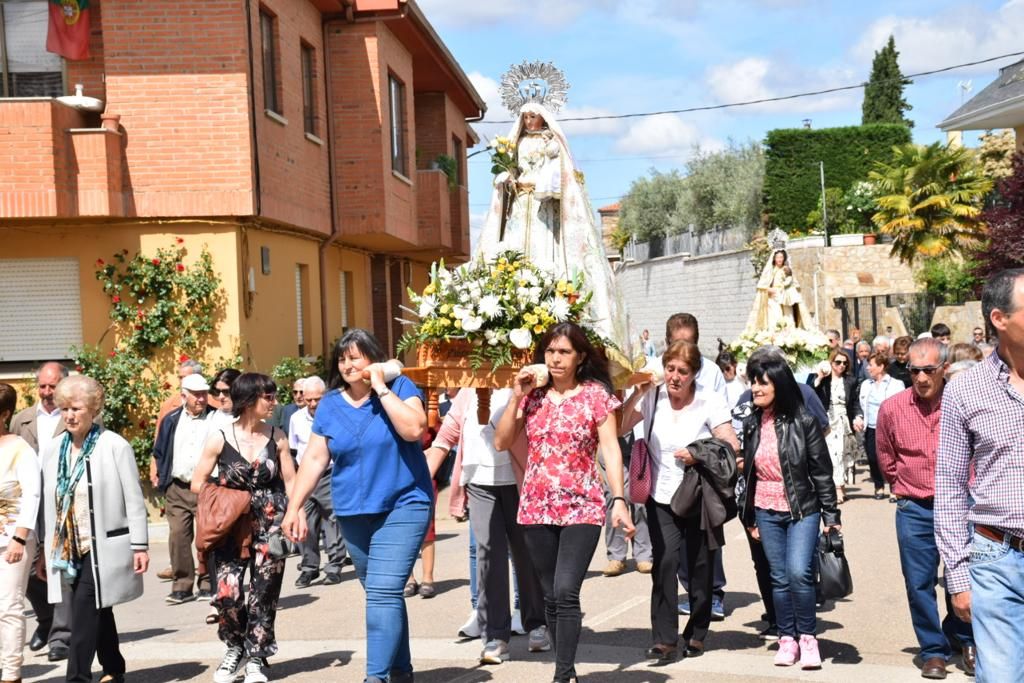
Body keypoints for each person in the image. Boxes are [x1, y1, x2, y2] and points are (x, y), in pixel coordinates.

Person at [283, 329, 430, 683]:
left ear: (373, 359)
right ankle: (401, 672)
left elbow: (415, 430)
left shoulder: (401, 389)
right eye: (342, 358)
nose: (348, 365)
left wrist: (381, 387)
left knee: (381, 593)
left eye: (356, 357)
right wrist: (294, 507)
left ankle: (374, 677)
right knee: (385, 594)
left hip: (404, 503)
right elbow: (315, 459)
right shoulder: (331, 404)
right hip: (352, 512)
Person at [494, 322, 634, 683]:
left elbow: (610, 449)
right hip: (537, 505)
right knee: (549, 597)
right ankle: (565, 668)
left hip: (582, 505)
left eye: (564, 352)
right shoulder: (532, 395)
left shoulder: (595, 396)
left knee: (565, 590)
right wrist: (515, 397)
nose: (555, 359)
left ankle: (563, 674)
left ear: (580, 357)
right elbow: (501, 441)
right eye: (551, 351)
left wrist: (619, 498)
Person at [475, 80, 627, 355]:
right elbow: (510, 170)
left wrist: (551, 176)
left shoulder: (551, 141)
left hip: (543, 206)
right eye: (525, 117)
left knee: (544, 248)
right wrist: (506, 178)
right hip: (522, 203)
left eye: (533, 116)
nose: (529, 121)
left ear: (544, 117)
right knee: (516, 247)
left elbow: (562, 173)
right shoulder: (515, 143)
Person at [620, 340, 739, 663]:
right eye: (670, 369)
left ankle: (698, 630)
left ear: (694, 374)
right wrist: (639, 393)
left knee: (700, 566)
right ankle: (664, 639)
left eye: (682, 372)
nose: (674, 377)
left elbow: (730, 443)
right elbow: (620, 425)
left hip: (697, 494)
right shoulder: (654, 398)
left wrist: (699, 453)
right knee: (665, 563)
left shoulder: (708, 401)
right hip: (660, 496)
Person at [937, 268, 1024, 682]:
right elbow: (950, 489)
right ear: (999, 319)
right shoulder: (964, 391)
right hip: (997, 557)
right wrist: (958, 577)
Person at [39, 375, 149, 683]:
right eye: (64, 409)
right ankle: (113, 667)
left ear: (93, 409)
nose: (70, 416)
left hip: (103, 545)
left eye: (76, 408)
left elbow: (134, 498)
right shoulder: (53, 450)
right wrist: (44, 550)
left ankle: (77, 677)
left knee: (84, 611)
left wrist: (139, 545)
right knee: (100, 607)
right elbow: (48, 504)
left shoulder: (114, 445)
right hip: (68, 547)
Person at [876, 338, 974, 679]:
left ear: (943, 369)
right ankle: (933, 650)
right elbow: (886, 458)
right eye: (914, 370)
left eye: (928, 370)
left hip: (961, 505)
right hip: (914, 507)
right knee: (919, 583)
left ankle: (965, 638)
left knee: (964, 577)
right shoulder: (892, 408)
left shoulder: (962, 403)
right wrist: (903, 487)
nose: (920, 378)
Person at [428, 388, 549, 664]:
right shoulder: (467, 392)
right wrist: (425, 475)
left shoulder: (524, 385)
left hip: (518, 481)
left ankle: (536, 622)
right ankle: (495, 636)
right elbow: (446, 437)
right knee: (488, 555)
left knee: (526, 553)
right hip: (480, 481)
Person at [191, 373, 295, 683]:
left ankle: (256, 657)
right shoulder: (220, 438)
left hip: (270, 525)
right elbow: (197, 482)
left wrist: (294, 515)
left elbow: (290, 480)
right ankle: (235, 646)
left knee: (264, 594)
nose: (273, 402)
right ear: (249, 400)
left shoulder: (278, 436)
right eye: (268, 396)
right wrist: (230, 498)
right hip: (232, 526)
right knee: (227, 594)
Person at [741, 354, 839, 670]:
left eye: (762, 382)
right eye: (753, 381)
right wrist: (749, 517)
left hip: (802, 509)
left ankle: (808, 638)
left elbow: (822, 472)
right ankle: (787, 639)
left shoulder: (804, 421)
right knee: (779, 578)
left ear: (778, 384)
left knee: (799, 572)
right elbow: (748, 476)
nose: (755, 388)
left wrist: (831, 517)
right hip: (765, 509)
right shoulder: (751, 423)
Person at [9, 361, 73, 661]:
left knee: (58, 564)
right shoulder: (21, 420)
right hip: (28, 503)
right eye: (43, 386)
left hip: (62, 501)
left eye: (53, 386)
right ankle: (46, 618)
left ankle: (61, 634)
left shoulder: (76, 415)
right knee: (27, 566)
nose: (47, 392)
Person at [151, 373, 216, 604]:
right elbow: (159, 450)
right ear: (183, 396)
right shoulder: (171, 420)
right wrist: (162, 476)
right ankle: (182, 586)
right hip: (177, 487)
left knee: (206, 537)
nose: (201, 399)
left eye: (204, 394)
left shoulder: (215, 419)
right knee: (178, 535)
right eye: (196, 395)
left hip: (206, 487)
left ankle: (208, 582)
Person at [289, 376, 347, 588]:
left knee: (332, 521)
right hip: (305, 474)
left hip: (328, 472)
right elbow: (293, 449)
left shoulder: (334, 415)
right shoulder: (296, 419)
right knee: (305, 523)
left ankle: (334, 566)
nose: (313, 404)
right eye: (309, 399)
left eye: (318, 399)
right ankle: (309, 568)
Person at [0, 384, 41, 683]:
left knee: (9, 607)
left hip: (11, 540)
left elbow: (32, 496)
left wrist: (19, 537)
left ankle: (11, 674)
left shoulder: (20, 449)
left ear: (4, 414)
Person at [812, 349, 862, 503]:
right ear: (831, 362)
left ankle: (841, 486)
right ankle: (837, 489)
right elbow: (811, 394)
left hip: (843, 421)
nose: (841, 365)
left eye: (845, 363)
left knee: (843, 454)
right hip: (827, 421)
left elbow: (854, 402)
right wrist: (820, 377)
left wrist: (858, 417)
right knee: (833, 455)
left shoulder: (850, 381)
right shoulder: (824, 380)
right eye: (838, 362)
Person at [856, 353, 904, 501]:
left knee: (892, 458)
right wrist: (859, 417)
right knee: (872, 458)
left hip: (890, 428)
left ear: (881, 366)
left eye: (871, 365)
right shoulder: (866, 385)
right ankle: (878, 485)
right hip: (871, 427)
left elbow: (901, 406)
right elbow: (859, 404)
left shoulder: (896, 384)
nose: (868, 368)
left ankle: (895, 488)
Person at [746, 249, 812, 332]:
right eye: (777, 257)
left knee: (788, 315)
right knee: (775, 314)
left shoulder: (786, 269)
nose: (779, 259)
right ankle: (775, 332)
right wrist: (768, 289)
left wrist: (786, 287)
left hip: (785, 295)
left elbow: (793, 282)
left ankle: (790, 332)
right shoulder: (771, 270)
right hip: (774, 296)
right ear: (774, 258)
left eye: (781, 257)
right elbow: (763, 284)